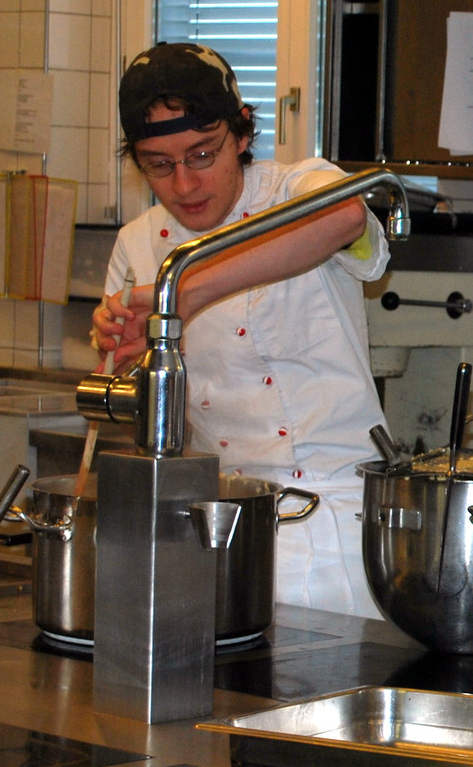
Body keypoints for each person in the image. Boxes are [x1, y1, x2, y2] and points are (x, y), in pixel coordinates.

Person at [91, 42, 392, 619]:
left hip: (342, 522)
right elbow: (146, 411)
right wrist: (122, 355)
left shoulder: (296, 188)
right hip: (222, 523)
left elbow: (345, 216)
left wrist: (187, 291)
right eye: (159, 165)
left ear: (242, 133)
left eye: (202, 154)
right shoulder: (137, 243)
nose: (184, 184)